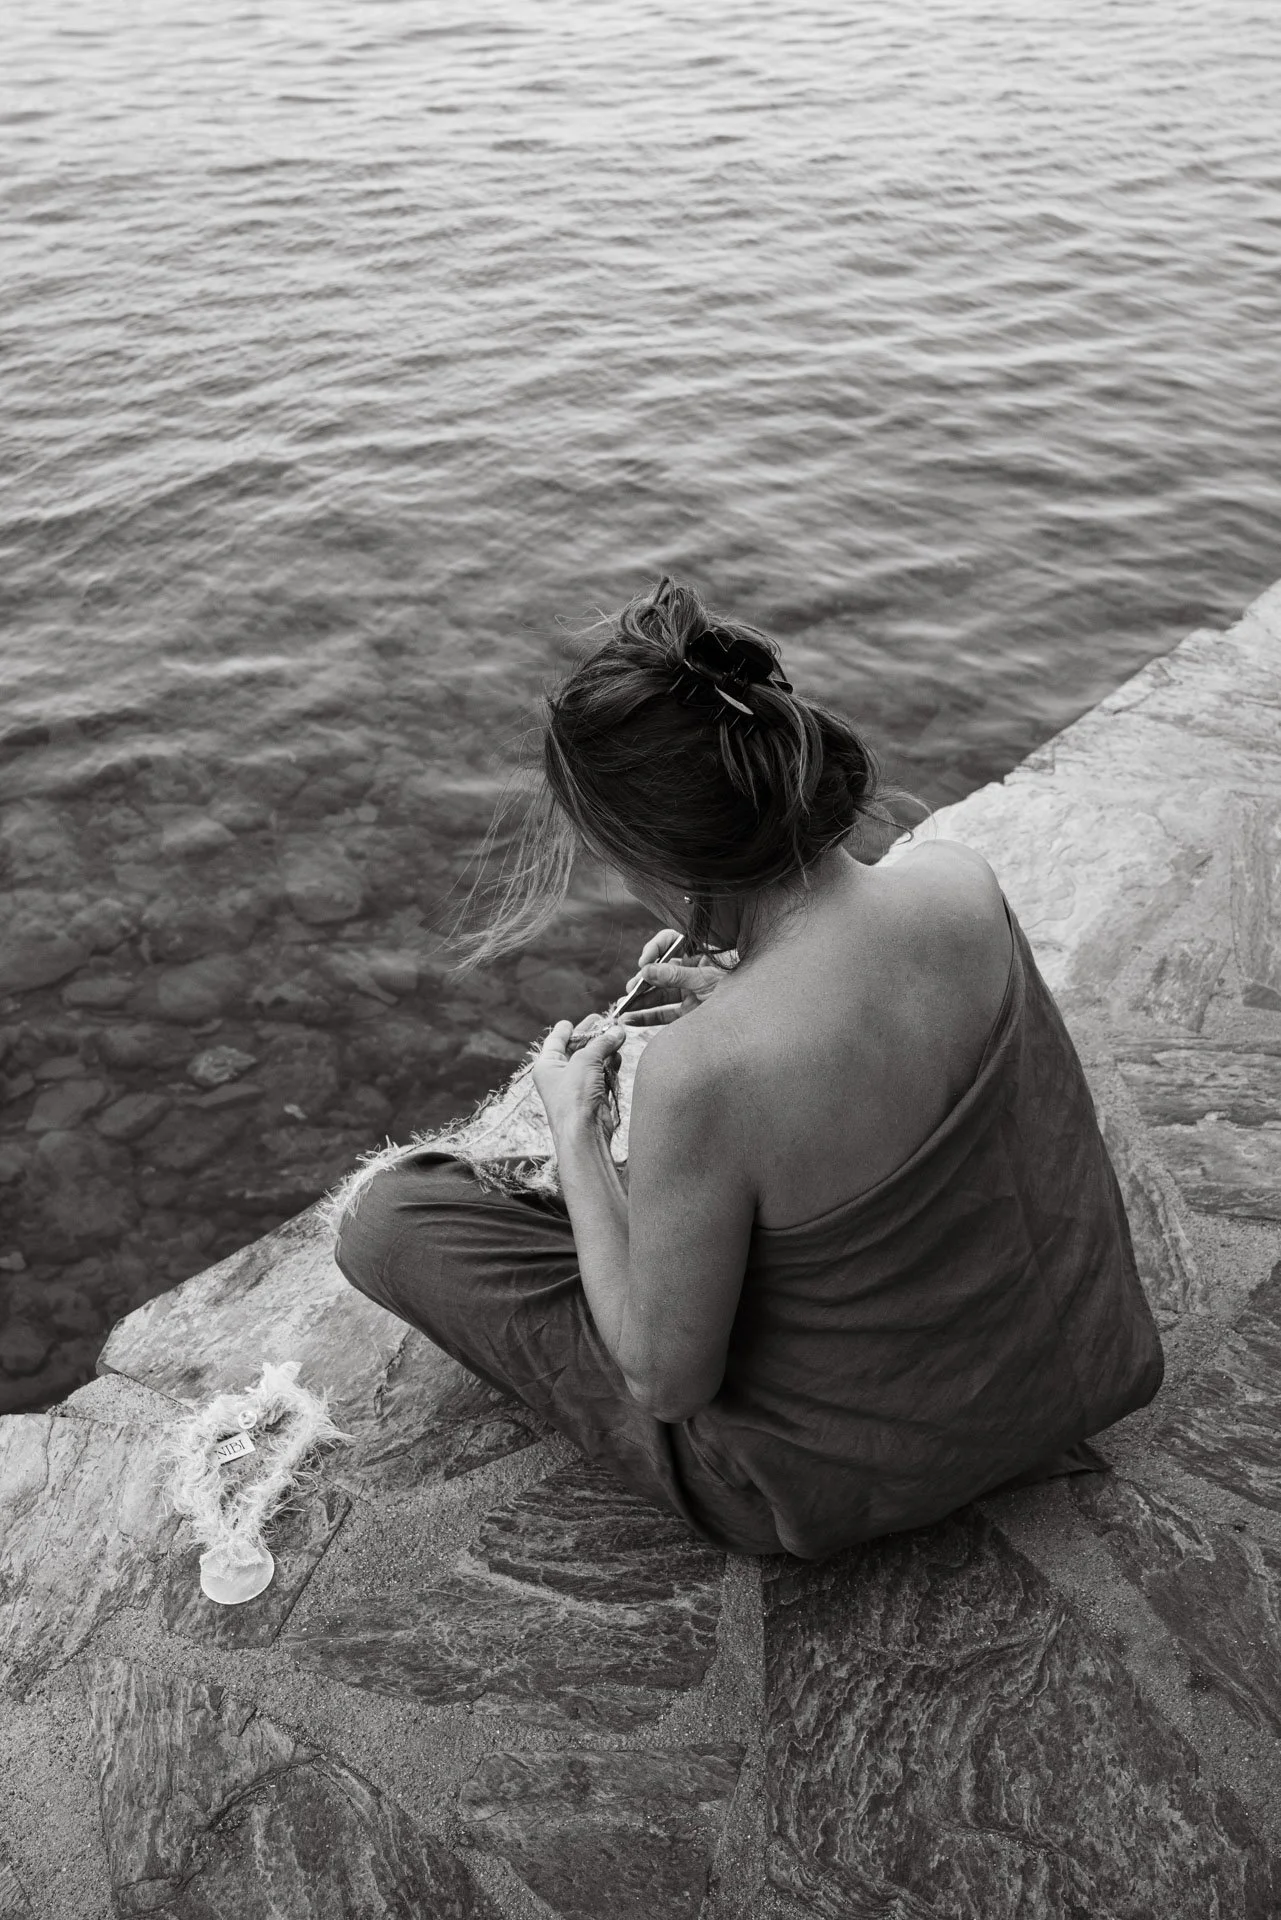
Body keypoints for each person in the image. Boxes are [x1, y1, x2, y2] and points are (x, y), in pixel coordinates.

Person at [334, 576, 1163, 1559]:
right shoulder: (958, 885)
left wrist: (575, 1133)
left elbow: (664, 1382)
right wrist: (748, 998)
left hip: (831, 1481)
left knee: (388, 1221)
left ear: (665, 866)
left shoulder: (702, 1074)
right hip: (1058, 1380)